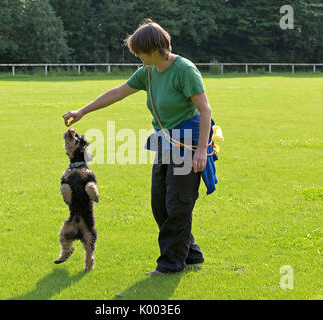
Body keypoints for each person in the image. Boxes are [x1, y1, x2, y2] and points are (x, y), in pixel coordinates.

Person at [63, 18, 218, 275]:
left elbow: (205, 110)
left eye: (140, 53)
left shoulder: (184, 70)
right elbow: (117, 92)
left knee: (177, 204)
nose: (137, 57)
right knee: (160, 205)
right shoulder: (148, 71)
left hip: (187, 144)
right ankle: (190, 253)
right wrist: (82, 111)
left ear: (155, 49)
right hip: (164, 143)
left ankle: (170, 264)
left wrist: (201, 149)